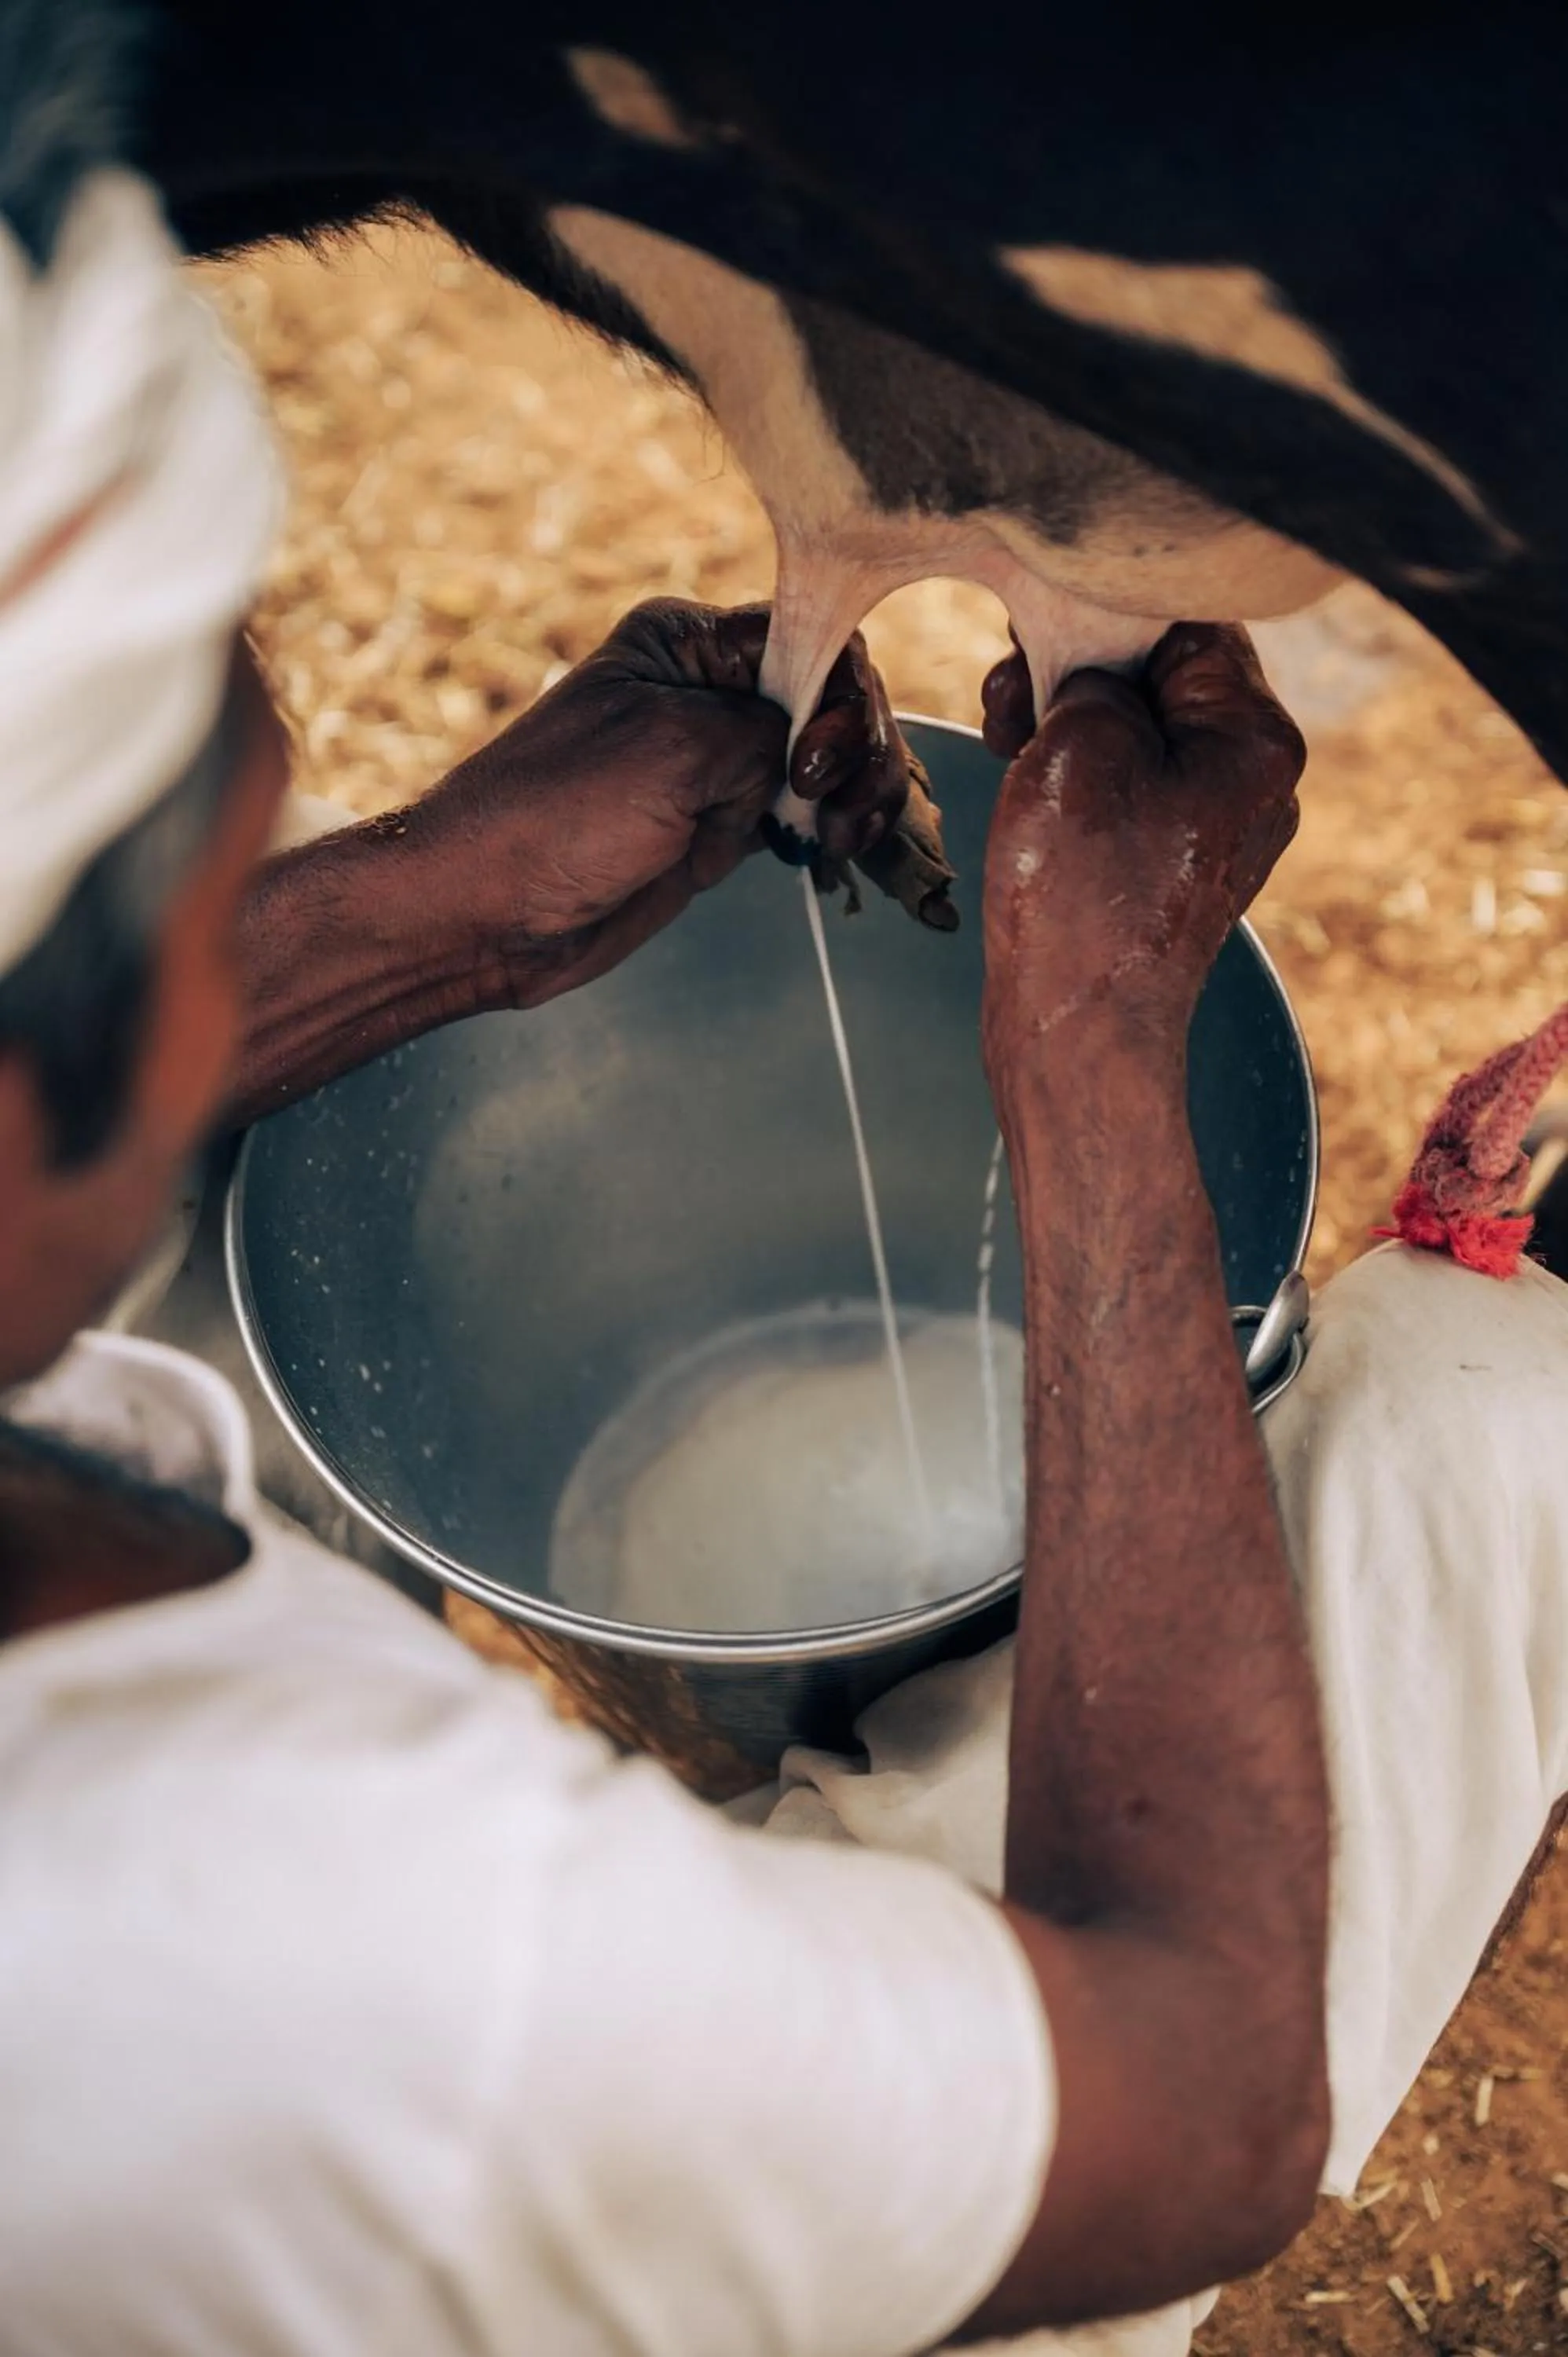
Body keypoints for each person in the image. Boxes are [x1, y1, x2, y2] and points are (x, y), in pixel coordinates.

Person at [2, 127, 1566, 2357]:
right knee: (1480, 1427)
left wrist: (437, 905)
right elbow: (1197, 2097)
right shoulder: (306, 1949)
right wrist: (1093, 1052)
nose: (273, 896)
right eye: (220, 887)